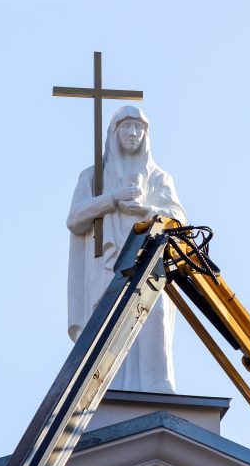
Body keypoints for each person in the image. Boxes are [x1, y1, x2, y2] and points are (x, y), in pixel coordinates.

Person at [66, 106, 186, 393]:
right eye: (126, 127)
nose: (133, 133)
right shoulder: (94, 176)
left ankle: (157, 388)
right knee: (110, 320)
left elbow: (179, 219)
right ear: (113, 132)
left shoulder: (159, 178)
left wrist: (147, 209)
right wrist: (113, 199)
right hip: (106, 263)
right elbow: (74, 218)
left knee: (152, 316)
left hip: (149, 260)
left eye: (139, 128)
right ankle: (106, 387)